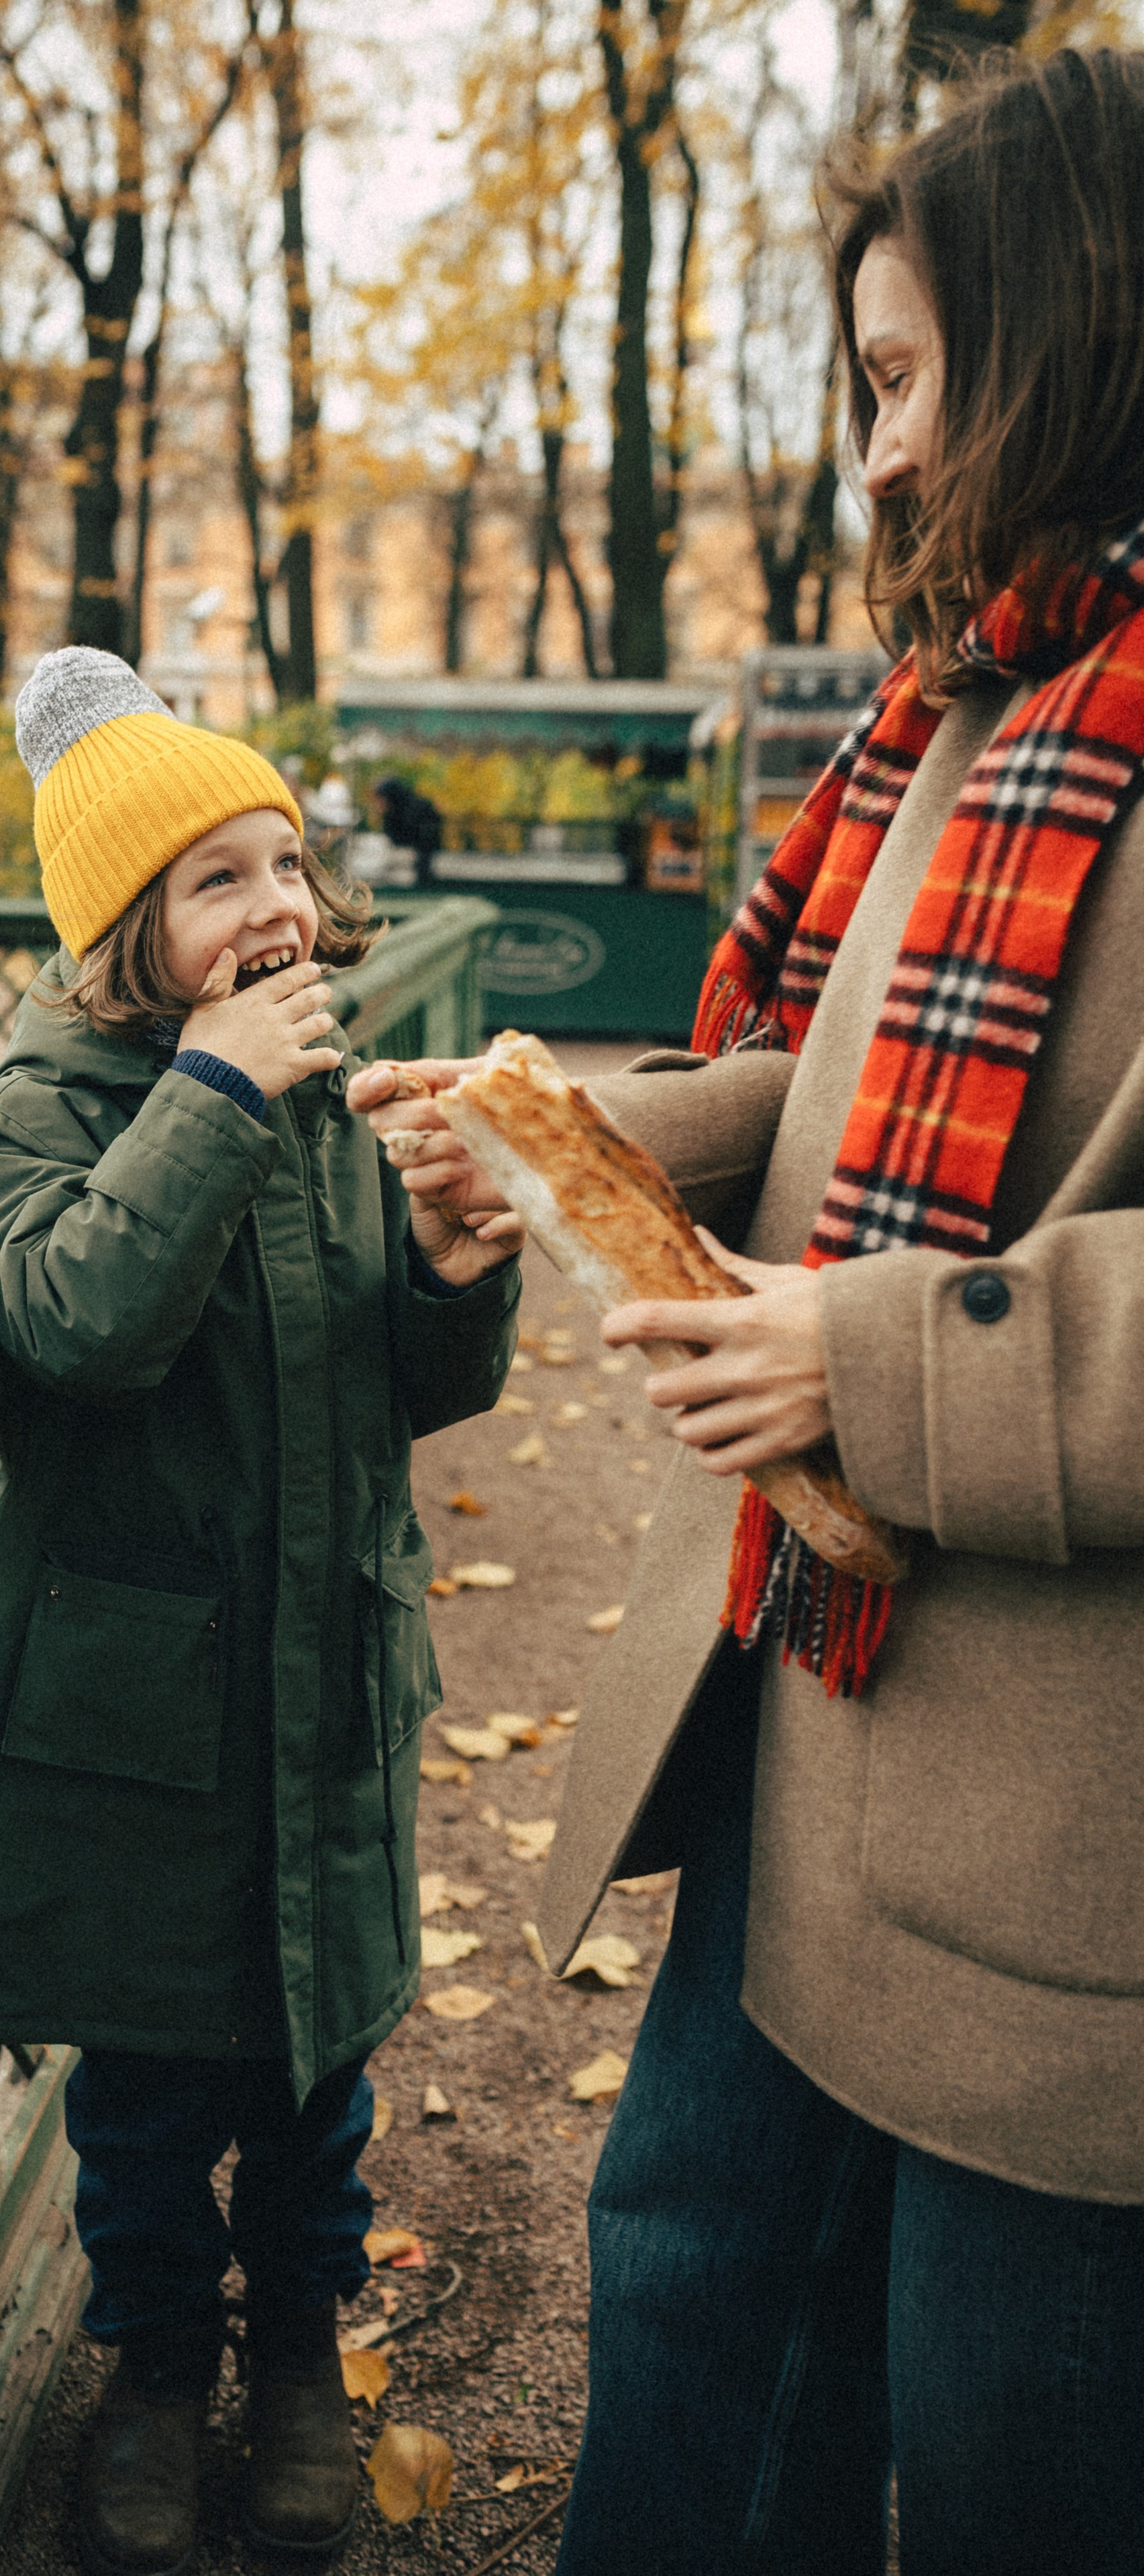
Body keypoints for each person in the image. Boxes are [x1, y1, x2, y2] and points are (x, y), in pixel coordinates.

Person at [350, 51, 1144, 2575]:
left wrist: (872, 1369)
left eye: (909, 380)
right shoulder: (985, 709)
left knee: (1011, 2468)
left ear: (1078, 331)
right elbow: (851, 1078)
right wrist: (580, 1147)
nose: (878, 461)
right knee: (693, 2354)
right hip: (802, 1747)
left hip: (1069, 1917)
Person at [0, 648, 521, 2575]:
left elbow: (405, 1388)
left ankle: (306, 2372)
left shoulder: (327, 1101)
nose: (279, 908)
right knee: (155, 2097)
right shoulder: (22, 1116)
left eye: (283, 863)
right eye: (216, 883)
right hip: (139, 1727)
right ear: (121, 939)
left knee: (312, 2077)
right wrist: (209, 1097)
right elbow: (78, 1323)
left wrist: (441, 1267)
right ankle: (160, 2369)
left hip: (319, 1684)